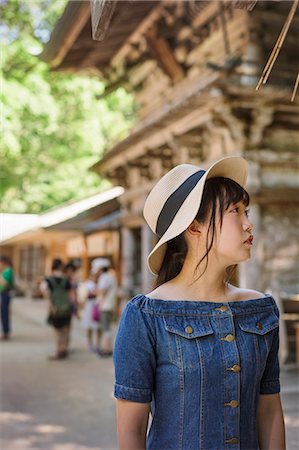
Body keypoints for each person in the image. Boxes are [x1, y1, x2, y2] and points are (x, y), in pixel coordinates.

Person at [113, 156, 286, 450]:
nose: (248, 224)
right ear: (194, 227)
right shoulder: (146, 315)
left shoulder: (261, 309)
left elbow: (269, 411)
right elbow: (132, 430)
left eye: (247, 211)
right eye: (235, 211)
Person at [43, 258, 73, 360]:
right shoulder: (66, 279)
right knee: (65, 329)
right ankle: (64, 348)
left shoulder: (49, 280)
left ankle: (58, 349)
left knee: (57, 330)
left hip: (55, 308)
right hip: (66, 307)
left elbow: (47, 294)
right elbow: (70, 294)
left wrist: (50, 306)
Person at [92, 258, 117, 357]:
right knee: (107, 327)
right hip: (109, 305)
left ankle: (107, 349)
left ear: (101, 269)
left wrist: (93, 291)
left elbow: (101, 291)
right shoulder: (110, 277)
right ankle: (106, 347)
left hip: (105, 306)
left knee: (106, 328)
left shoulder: (105, 278)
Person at [78, 272, 101, 352]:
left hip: (97, 306)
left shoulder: (100, 284)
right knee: (89, 327)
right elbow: (83, 296)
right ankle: (90, 344)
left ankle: (98, 344)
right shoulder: (87, 285)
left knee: (98, 327)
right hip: (89, 307)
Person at [0, 255, 14, 340]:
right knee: (3, 313)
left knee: (5, 313)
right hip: (3, 293)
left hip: (6, 294)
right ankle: (5, 331)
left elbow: (5, 283)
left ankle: (6, 332)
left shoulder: (8, 271)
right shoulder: (5, 271)